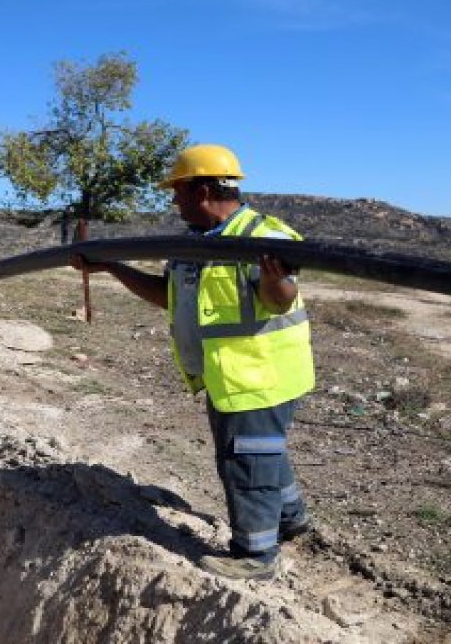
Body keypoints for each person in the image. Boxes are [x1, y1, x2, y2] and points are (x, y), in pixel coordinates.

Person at [72, 143, 314, 580]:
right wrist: (112, 268)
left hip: (261, 375)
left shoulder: (264, 238)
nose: (173, 200)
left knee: (246, 460)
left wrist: (279, 282)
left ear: (202, 191)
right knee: (262, 452)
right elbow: (166, 296)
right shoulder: (193, 246)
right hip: (227, 376)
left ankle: (256, 556)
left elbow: (280, 301)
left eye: (178, 191)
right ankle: (291, 518)